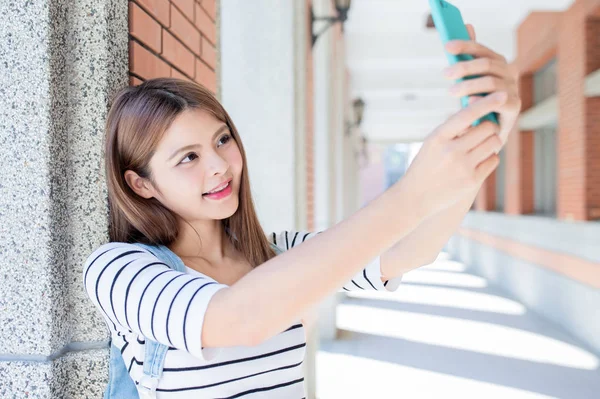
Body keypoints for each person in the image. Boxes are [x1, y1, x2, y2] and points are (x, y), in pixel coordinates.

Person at [83, 27, 520, 398]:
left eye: (221, 140)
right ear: (140, 184)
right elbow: (239, 319)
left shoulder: (278, 254)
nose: (219, 165)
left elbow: (410, 249)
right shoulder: (118, 270)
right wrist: (411, 193)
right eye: (188, 158)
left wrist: (490, 133)